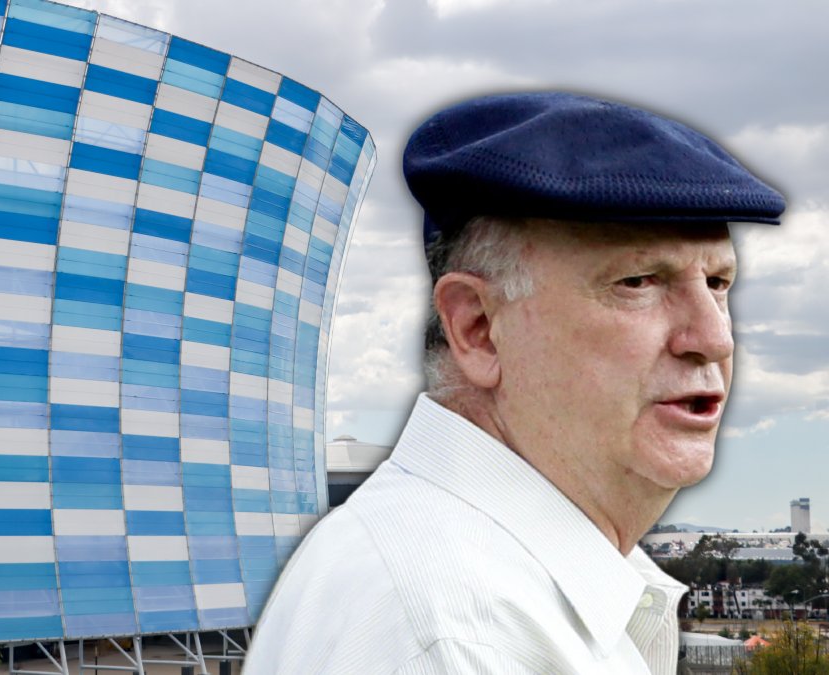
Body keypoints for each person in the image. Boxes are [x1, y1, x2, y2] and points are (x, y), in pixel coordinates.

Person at [242, 92, 786, 674]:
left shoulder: (509, 590)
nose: (714, 338)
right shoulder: (453, 632)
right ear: (478, 329)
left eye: (719, 282)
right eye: (638, 281)